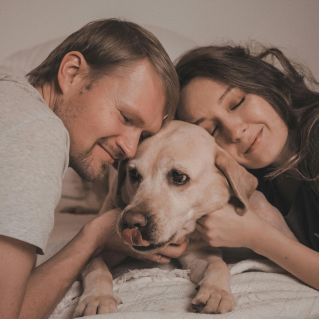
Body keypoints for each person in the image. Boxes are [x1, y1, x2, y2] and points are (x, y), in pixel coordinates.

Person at [0, 19, 187, 319]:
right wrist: (95, 236)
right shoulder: (38, 131)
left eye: (142, 135)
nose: (129, 149)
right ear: (72, 72)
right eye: (126, 117)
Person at [175, 44, 319, 290]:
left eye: (237, 102)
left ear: (264, 83)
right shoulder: (258, 180)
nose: (235, 131)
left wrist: (255, 236)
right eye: (212, 130)